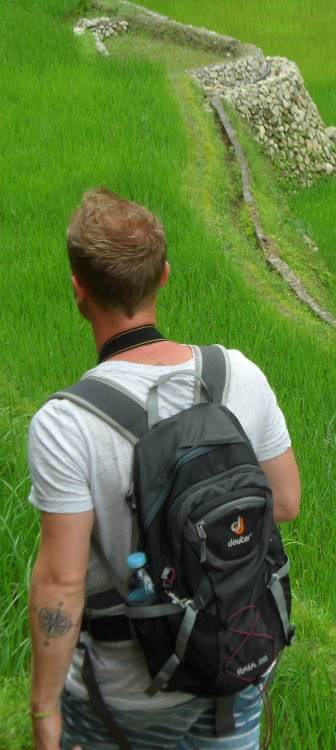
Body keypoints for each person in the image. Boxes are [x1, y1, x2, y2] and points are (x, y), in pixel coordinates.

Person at [27, 188, 301, 749]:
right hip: (230, 676)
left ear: (78, 291)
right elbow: (286, 501)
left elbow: (62, 582)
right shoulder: (237, 376)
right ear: (165, 276)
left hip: (116, 704)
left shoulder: (65, 423)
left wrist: (42, 708)